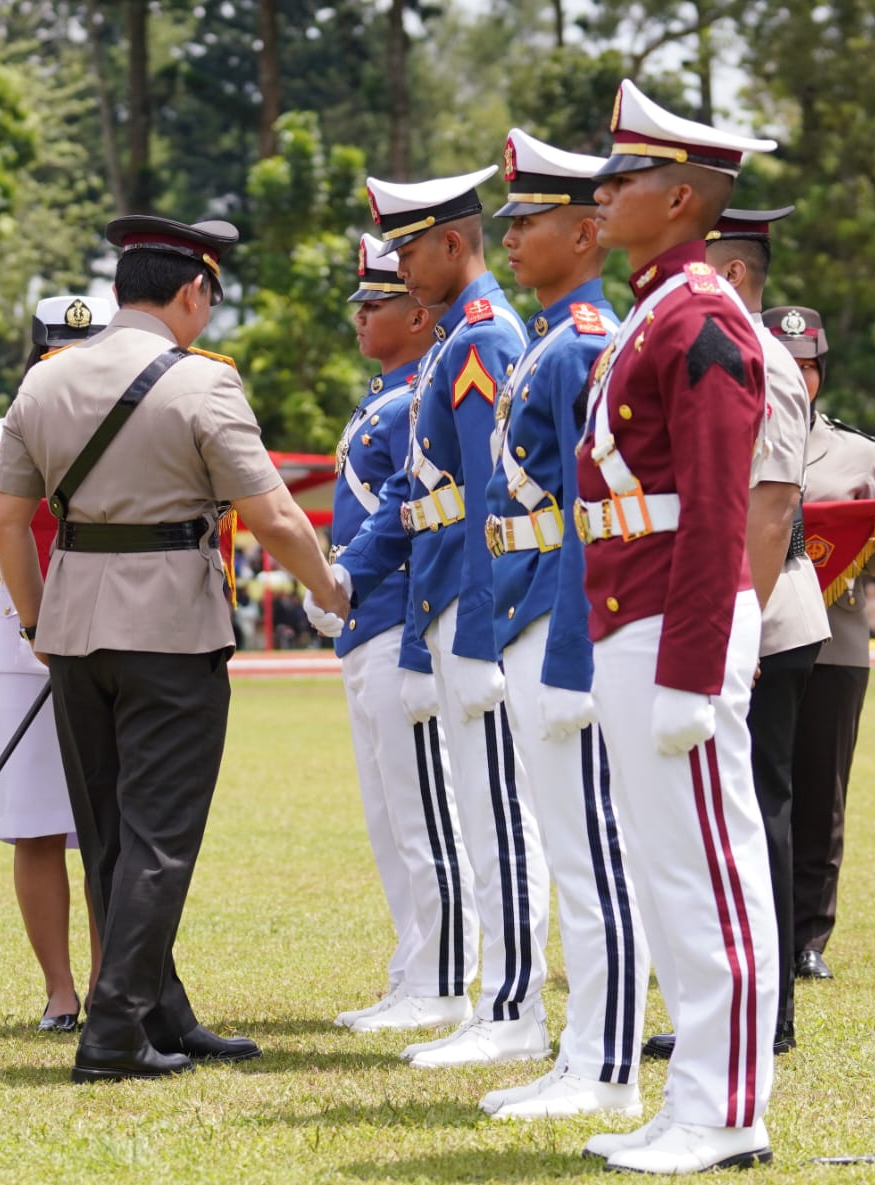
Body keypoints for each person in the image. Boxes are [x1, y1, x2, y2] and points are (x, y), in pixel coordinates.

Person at [0, 214, 349, 1083]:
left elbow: (6, 521)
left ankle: (159, 1009)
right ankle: (113, 1031)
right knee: (160, 836)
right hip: (171, 628)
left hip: (74, 626)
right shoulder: (204, 386)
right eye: (208, 301)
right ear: (192, 292)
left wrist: (40, 624)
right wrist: (330, 588)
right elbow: (272, 515)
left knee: (112, 830)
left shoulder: (43, 384)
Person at [575, 79, 780, 1173]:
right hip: (629, 613)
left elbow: (714, 502)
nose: (603, 196)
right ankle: (691, 1095)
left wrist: (696, 671)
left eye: (625, 179)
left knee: (710, 869)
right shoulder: (656, 309)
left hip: (673, 622)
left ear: (685, 197)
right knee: (667, 872)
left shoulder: (698, 316)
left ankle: (728, 1109)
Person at [318, 168, 552, 1071]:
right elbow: (426, 503)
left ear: (453, 244)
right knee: (478, 814)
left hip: (473, 606)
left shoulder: (486, 340)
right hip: (442, 603)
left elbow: (496, 500)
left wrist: (480, 626)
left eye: (410, 249)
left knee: (496, 813)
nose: (401, 269)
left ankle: (511, 1003)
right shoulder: (461, 340)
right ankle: (496, 1000)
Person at [478, 129, 648, 1119]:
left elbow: (591, 506)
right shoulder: (551, 337)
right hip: (528, 605)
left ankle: (608, 1069)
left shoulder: (584, 341)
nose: (511, 239)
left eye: (529, 221)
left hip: (561, 609)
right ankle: (584, 1051)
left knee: (591, 853)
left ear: (587, 233)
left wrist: (576, 650)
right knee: (573, 844)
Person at [640, 206, 831, 1060]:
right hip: (731, 609)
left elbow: (769, 510)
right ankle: (721, 1007)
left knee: (759, 811)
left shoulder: (765, 358)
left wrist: (734, 630)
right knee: (720, 813)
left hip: (764, 611)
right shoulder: (715, 342)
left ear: (738, 273)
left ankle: (768, 1011)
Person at [327, 235, 475, 1035]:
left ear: (419, 316)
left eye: (375, 302)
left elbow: (423, 525)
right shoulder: (389, 396)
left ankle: (445, 978)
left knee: (424, 810)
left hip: (397, 621)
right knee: (392, 815)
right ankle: (414, 964)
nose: (361, 316)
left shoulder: (419, 399)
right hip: (364, 624)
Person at [0, 294, 112, 1032]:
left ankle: (106, 980)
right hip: (19, 637)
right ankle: (60, 990)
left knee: (105, 825)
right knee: (34, 824)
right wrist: (35, 618)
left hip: (112, 627)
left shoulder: (131, 423)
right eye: (57, 352)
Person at [766, 305, 875, 980]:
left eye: (809, 365)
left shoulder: (856, 450)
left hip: (837, 637)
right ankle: (759, 930)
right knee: (763, 787)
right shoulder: (737, 435)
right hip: (759, 632)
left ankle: (809, 937)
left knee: (822, 789)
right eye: (786, 362)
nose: (798, 375)